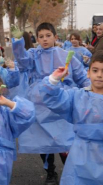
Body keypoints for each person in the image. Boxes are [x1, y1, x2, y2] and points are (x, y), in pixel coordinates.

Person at [12, 22, 90, 184]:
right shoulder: (33, 54)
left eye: (48, 36)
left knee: (65, 137)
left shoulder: (66, 55)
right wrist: (18, 42)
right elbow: (22, 61)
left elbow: (81, 76)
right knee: (42, 138)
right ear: (36, 39)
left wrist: (90, 91)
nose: (45, 39)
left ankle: (71, 172)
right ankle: (50, 171)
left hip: (62, 99)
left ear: (55, 37)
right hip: (39, 101)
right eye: (41, 36)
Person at [40, 53, 103, 185]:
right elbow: (54, 99)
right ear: (88, 73)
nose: (99, 75)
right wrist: (53, 80)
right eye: (95, 70)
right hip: (80, 154)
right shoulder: (77, 96)